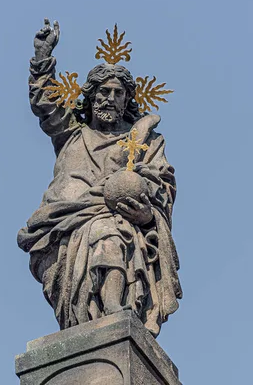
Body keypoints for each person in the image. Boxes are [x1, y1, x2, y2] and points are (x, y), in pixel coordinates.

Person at [17, 19, 182, 336]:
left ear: (126, 101)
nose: (109, 98)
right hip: (62, 223)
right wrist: (41, 58)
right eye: (102, 92)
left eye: (117, 93)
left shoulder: (144, 141)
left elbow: (161, 184)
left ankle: (113, 310)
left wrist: (146, 211)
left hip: (116, 221)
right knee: (101, 236)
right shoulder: (70, 133)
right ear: (90, 98)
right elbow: (44, 103)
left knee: (108, 231)